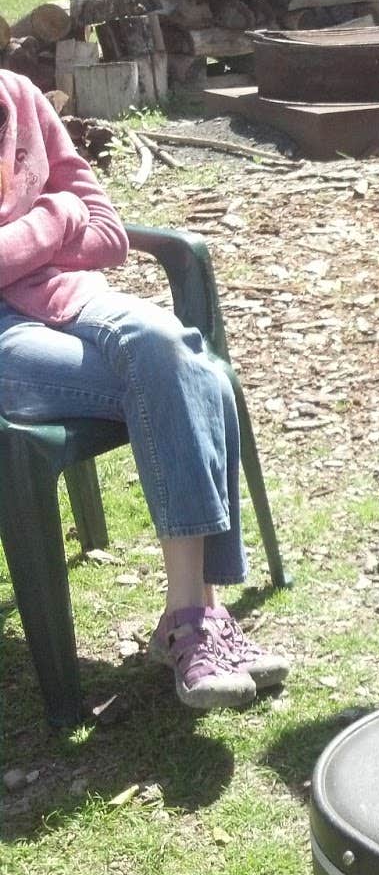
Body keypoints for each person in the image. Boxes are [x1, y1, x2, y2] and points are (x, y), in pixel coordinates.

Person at [0, 69, 289, 710]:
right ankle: (202, 621)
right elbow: (77, 217)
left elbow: (108, 237)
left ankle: (188, 620)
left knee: (167, 345)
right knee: (195, 372)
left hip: (73, 301)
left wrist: (41, 235)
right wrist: (55, 215)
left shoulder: (17, 97)